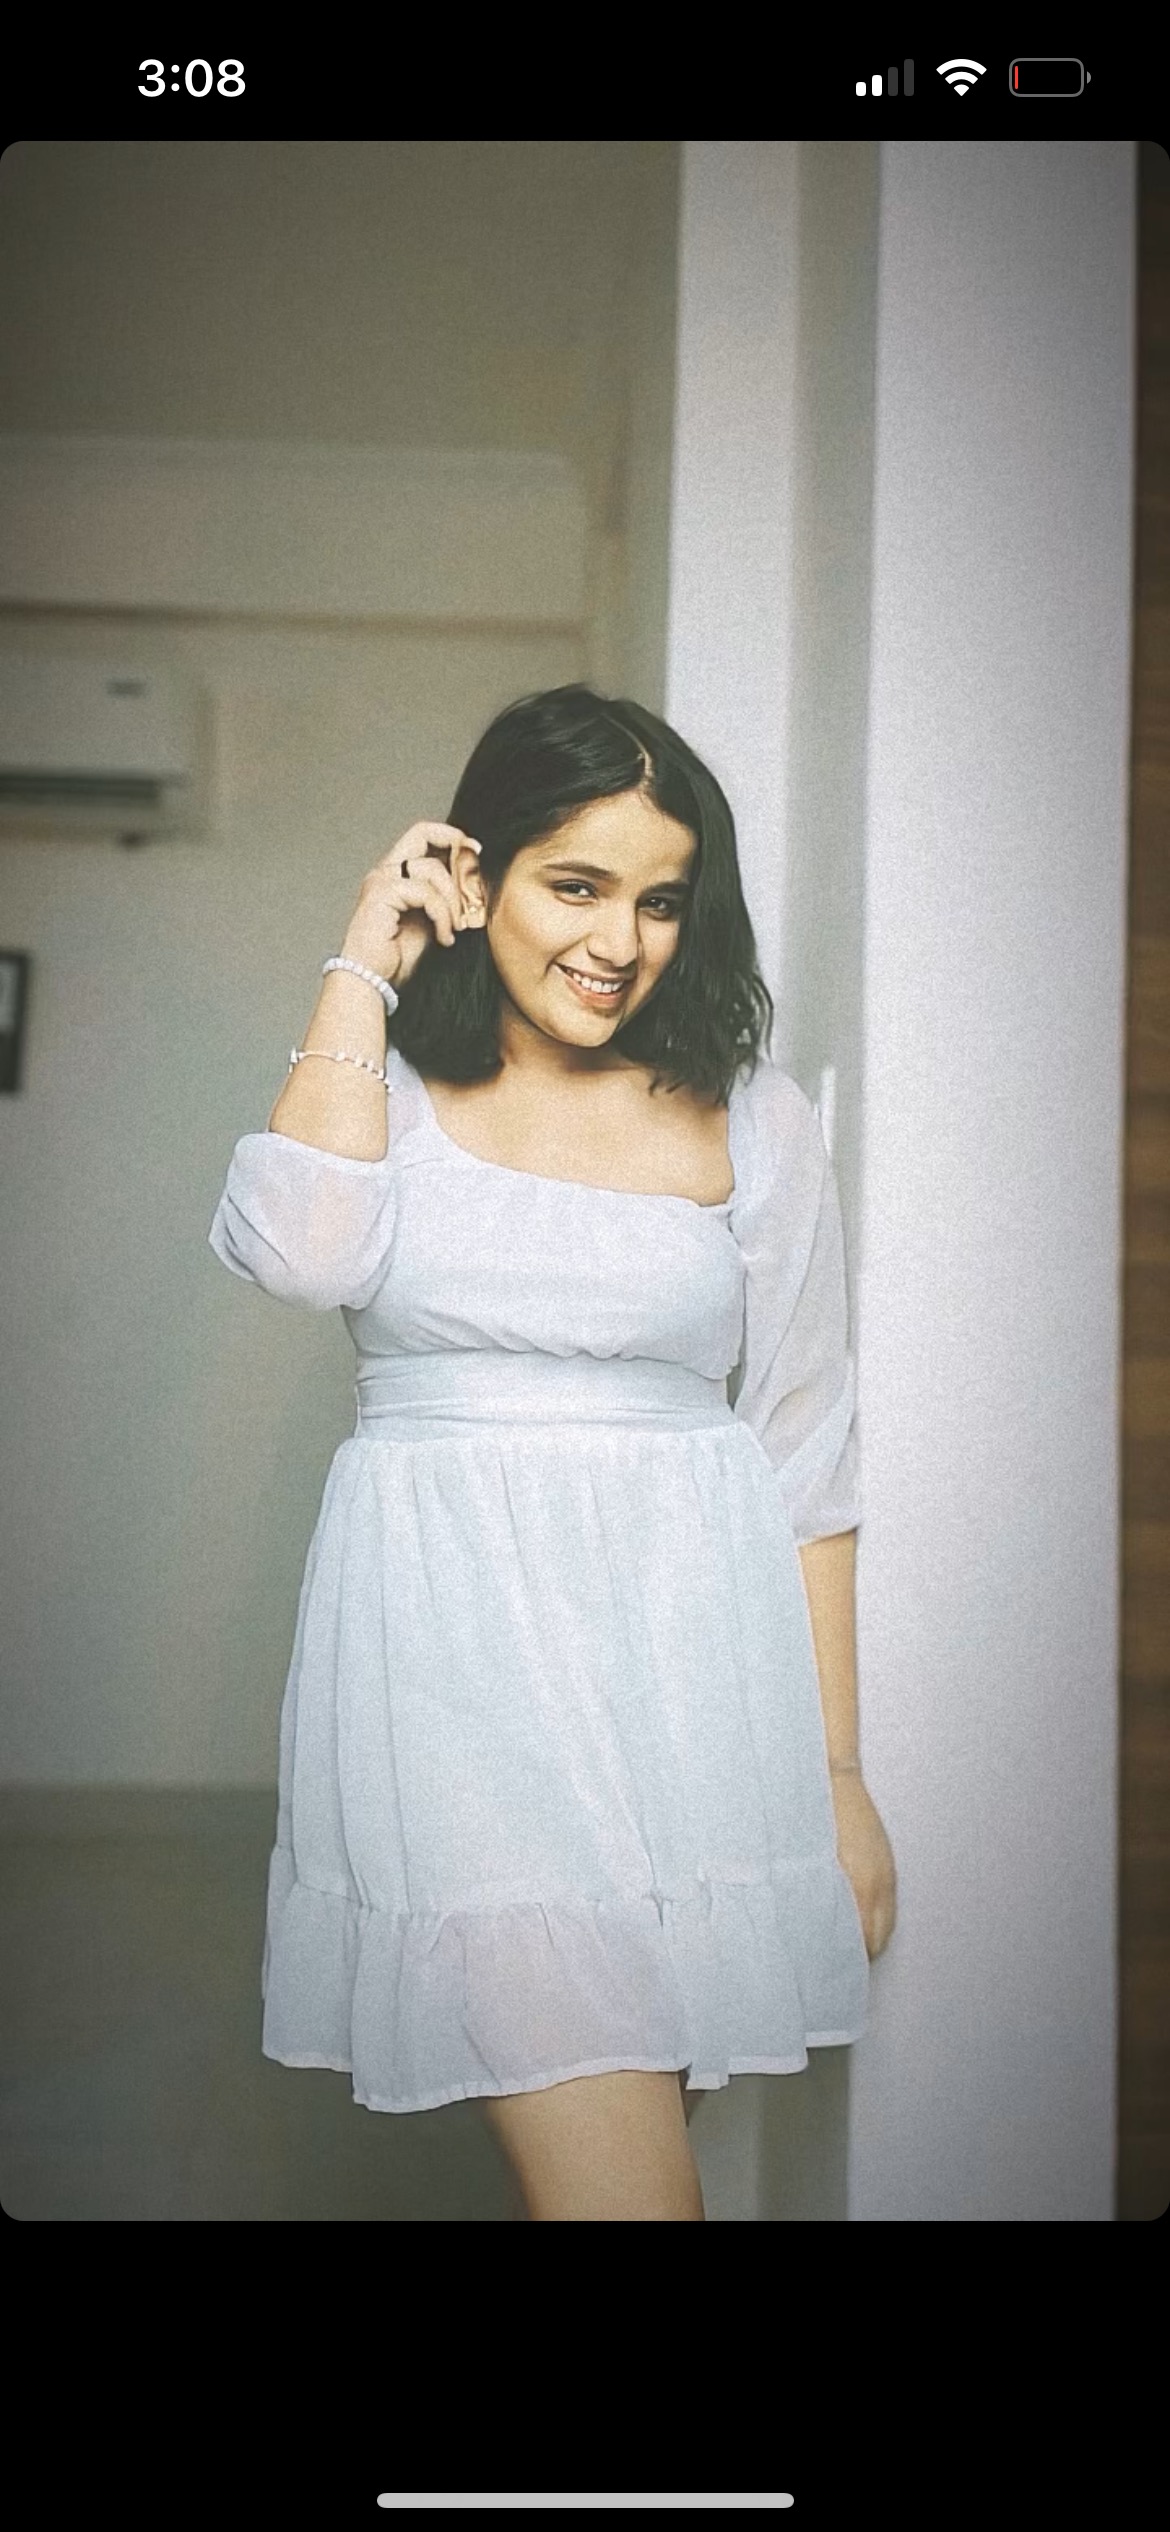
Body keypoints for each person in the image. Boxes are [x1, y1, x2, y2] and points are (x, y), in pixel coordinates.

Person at [207, 684, 896, 2221]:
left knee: (629, 2163)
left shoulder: (754, 1118)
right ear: (476, 873)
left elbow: (803, 1452)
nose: (617, 941)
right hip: (461, 1703)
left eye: (659, 899)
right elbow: (300, 1254)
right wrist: (361, 961)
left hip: (693, 1698)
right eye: (573, 884)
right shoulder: (376, 1092)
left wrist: (836, 1775)